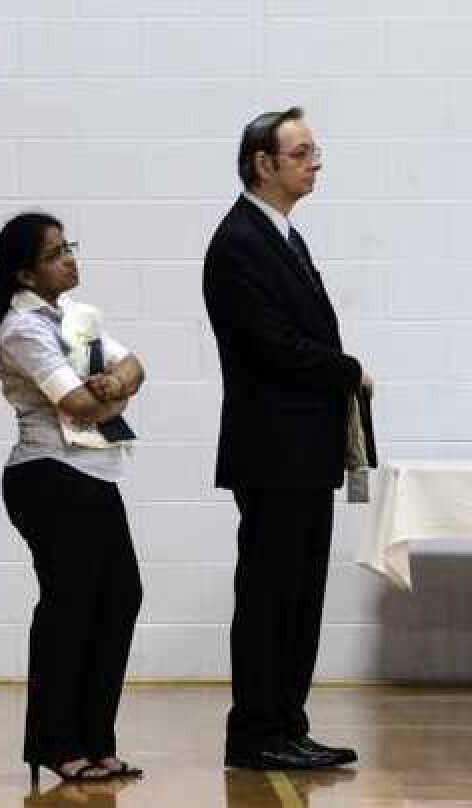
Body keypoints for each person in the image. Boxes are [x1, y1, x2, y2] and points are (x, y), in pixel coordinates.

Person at [203, 108, 372, 770]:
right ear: (262, 164)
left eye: (315, 151)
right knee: (272, 594)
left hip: (303, 450)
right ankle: (256, 732)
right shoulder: (240, 241)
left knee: (300, 594)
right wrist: (346, 369)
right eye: (301, 152)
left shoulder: (282, 237)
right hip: (273, 451)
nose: (314, 162)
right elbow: (272, 347)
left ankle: (286, 724)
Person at [0, 212, 146, 786]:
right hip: (47, 476)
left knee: (119, 598)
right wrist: (110, 395)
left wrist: (114, 386)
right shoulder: (22, 330)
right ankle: (56, 744)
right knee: (69, 610)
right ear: (25, 273)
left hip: (94, 475)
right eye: (54, 254)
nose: (69, 258)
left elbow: (134, 366)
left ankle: (98, 742)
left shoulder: (76, 317)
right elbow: (77, 407)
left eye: (68, 246)